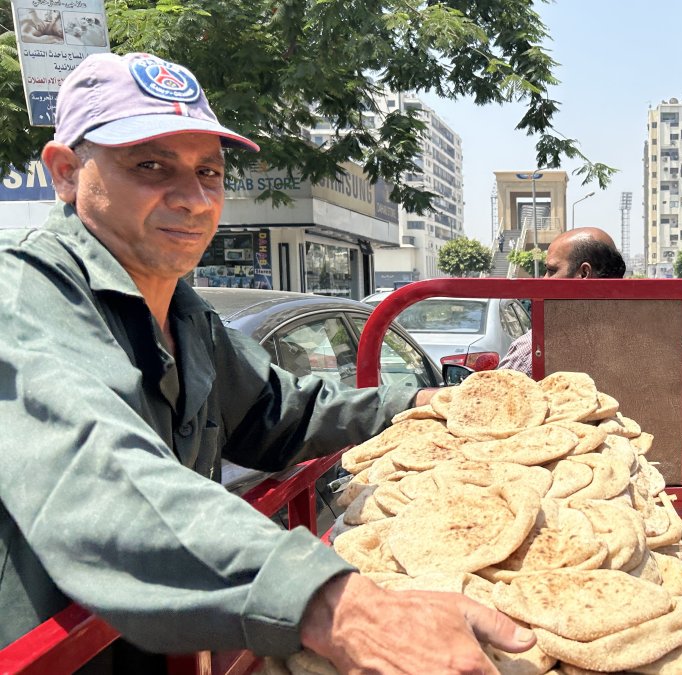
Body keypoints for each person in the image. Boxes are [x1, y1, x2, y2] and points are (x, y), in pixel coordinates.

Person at [0, 52, 531, 673]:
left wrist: (417, 404)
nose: (193, 199)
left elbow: (276, 412)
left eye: (210, 172)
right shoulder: (22, 298)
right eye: (150, 166)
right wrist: (340, 607)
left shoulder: (187, 315)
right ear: (65, 172)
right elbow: (99, 475)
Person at [498, 227, 625, 375]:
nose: (544, 279)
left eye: (551, 271)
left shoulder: (532, 350)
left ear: (584, 273)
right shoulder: (644, 337)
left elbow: (490, 396)